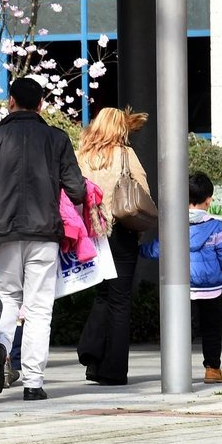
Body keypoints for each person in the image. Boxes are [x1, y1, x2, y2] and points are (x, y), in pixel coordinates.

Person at [0, 78, 85, 401]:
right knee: (38, 308)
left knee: (7, 297)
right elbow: (76, 189)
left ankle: (0, 347)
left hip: (2, 234)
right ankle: (33, 383)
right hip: (44, 233)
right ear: (42, 104)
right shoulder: (57, 139)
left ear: (10, 102)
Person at [76, 107, 150, 386]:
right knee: (120, 302)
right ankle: (113, 370)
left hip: (92, 232)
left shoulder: (82, 155)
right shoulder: (125, 154)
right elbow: (142, 191)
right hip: (120, 232)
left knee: (102, 294)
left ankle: (92, 355)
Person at [140, 172, 222, 384]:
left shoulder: (173, 225)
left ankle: (177, 371)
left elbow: (156, 250)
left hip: (182, 288)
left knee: (181, 327)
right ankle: (212, 369)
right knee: (211, 328)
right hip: (211, 288)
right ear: (208, 200)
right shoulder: (216, 227)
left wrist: (138, 250)